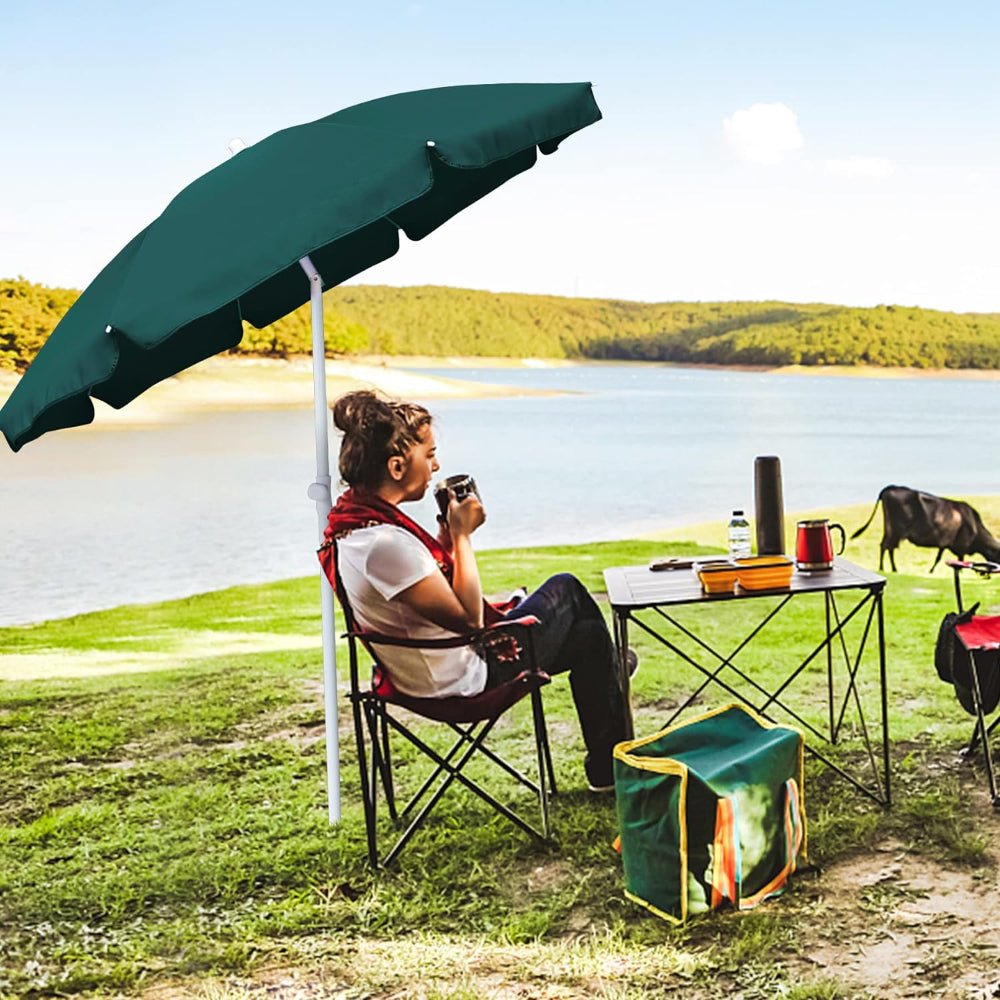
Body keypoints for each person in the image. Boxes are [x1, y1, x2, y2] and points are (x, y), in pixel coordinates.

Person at [318, 389, 631, 792]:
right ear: (397, 466)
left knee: (588, 638)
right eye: (428, 455)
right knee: (566, 588)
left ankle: (609, 763)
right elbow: (468, 618)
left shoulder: (357, 527)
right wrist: (463, 538)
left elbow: (423, 601)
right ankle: (611, 699)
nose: (436, 466)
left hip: (430, 666)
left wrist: (445, 544)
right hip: (461, 680)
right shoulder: (384, 545)